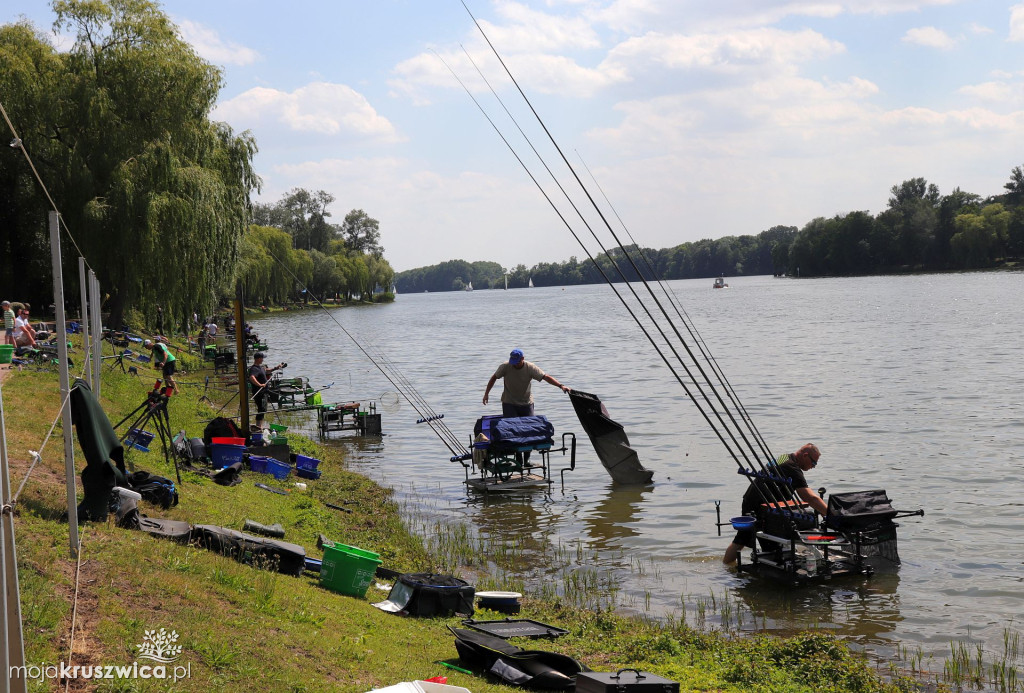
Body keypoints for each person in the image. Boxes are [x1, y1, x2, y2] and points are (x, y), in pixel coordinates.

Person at [723, 443, 828, 564]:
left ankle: (727, 568)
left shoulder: (785, 457)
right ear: (805, 455)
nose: (813, 466)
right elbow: (810, 497)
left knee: (742, 540)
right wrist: (830, 515)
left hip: (752, 499)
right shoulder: (791, 467)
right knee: (754, 542)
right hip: (761, 506)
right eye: (813, 463)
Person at [482, 348, 570, 417]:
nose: (514, 364)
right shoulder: (505, 366)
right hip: (509, 403)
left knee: (529, 428)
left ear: (522, 358)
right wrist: (486, 394)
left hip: (526, 403)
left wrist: (561, 386)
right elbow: (493, 378)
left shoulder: (530, 367)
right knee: (512, 428)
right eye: (513, 362)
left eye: (517, 362)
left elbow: (546, 377)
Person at [247, 352, 283, 430]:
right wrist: (260, 384)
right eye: (262, 358)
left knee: (263, 409)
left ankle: (260, 426)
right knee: (261, 409)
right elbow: (252, 378)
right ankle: (258, 427)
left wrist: (276, 368)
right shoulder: (254, 369)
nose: (263, 359)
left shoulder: (261, 367)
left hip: (264, 392)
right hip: (259, 393)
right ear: (259, 358)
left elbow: (267, 371)